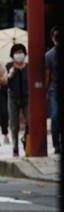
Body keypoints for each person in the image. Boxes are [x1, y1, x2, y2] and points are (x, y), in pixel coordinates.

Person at [5, 43, 29, 157]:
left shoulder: (28, 67)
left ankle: (25, 138)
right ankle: (15, 147)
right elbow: (4, 82)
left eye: (21, 52)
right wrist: (9, 75)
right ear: (12, 55)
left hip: (26, 97)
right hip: (13, 97)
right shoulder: (9, 66)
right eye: (16, 53)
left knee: (29, 122)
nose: (19, 55)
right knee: (14, 124)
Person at [46, 26, 59, 154]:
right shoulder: (49, 55)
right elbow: (47, 75)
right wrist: (45, 92)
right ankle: (56, 144)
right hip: (54, 89)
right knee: (54, 116)